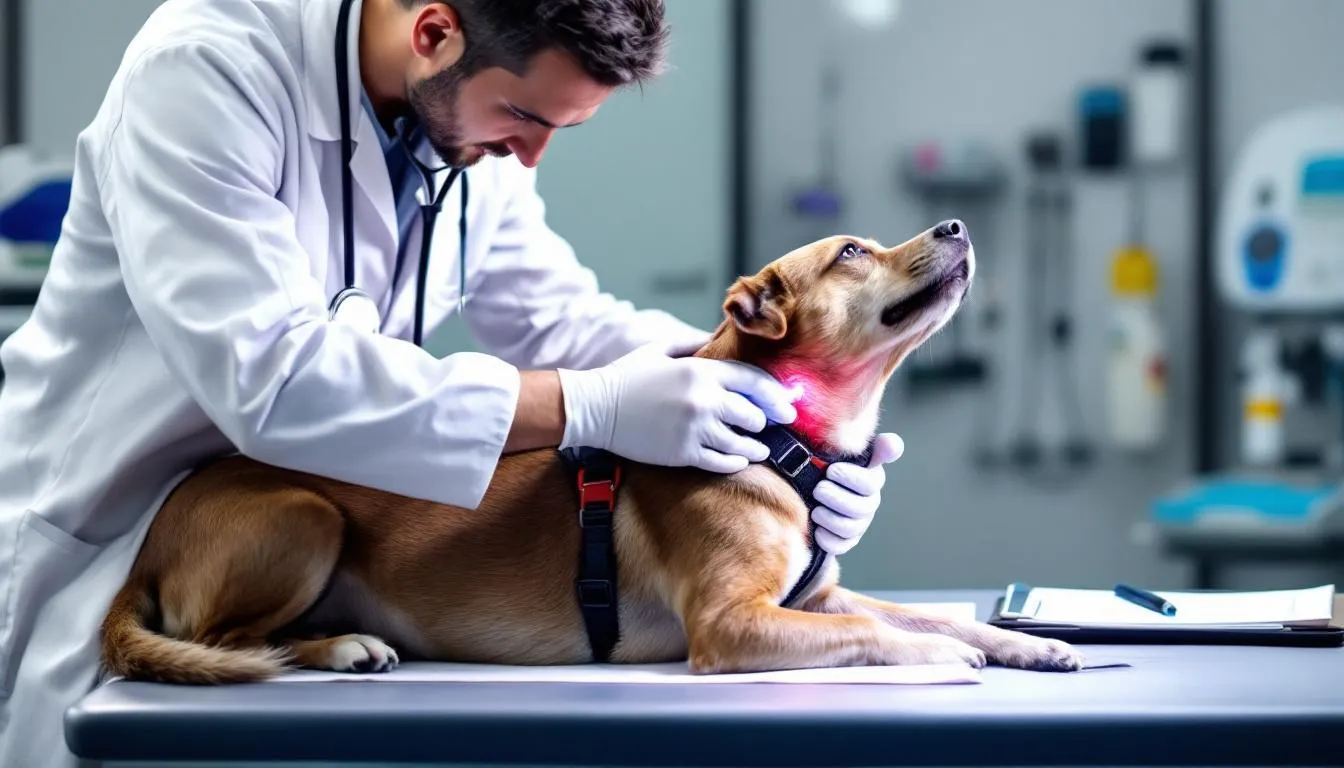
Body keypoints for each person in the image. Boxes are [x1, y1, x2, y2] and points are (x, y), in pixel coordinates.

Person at [0, 0, 904, 763]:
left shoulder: (471, 135)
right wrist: (591, 406)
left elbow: (553, 318)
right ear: (434, 32)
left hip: (309, 570)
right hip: (103, 544)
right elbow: (272, 377)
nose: (532, 155)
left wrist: (775, 415)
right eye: (524, 117)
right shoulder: (206, 70)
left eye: (560, 128)